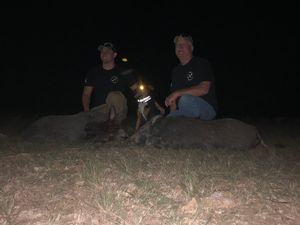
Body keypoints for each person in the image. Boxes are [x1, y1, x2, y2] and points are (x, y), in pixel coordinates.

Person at [82, 42, 138, 124]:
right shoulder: (93, 72)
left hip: (118, 110)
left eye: (107, 51)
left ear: (114, 55)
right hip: (99, 110)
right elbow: (86, 94)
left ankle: (115, 125)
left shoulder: (123, 72)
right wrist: (86, 111)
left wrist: (155, 105)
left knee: (114, 96)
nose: (104, 53)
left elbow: (138, 90)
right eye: (102, 51)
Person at [164, 33, 218, 120]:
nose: (179, 46)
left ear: (191, 47)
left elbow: (204, 89)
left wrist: (177, 93)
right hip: (184, 109)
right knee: (170, 119)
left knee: (185, 100)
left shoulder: (201, 63)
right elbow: (173, 101)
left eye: (183, 44)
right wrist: (171, 115)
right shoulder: (175, 71)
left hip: (206, 108)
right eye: (177, 45)